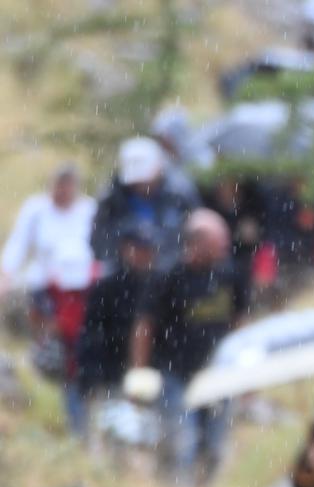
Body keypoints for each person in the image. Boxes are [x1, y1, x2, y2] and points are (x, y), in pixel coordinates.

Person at [129, 209, 249, 487]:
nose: (223, 249)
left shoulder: (229, 275)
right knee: (183, 443)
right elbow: (144, 327)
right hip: (176, 374)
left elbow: (240, 321)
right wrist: (139, 374)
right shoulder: (168, 277)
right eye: (217, 243)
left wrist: (245, 370)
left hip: (218, 375)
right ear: (196, 243)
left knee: (215, 445)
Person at [0, 163, 97, 433]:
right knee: (54, 345)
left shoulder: (87, 211)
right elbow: (19, 243)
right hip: (44, 287)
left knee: (78, 344)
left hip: (80, 286)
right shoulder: (36, 210)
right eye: (58, 186)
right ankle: (50, 383)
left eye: (67, 187)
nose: (62, 192)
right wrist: (6, 275)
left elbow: (99, 246)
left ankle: (76, 396)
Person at [76, 223, 156, 451]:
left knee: (139, 442)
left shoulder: (158, 284)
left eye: (147, 249)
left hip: (142, 378)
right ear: (124, 249)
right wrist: (91, 375)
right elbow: (90, 333)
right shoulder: (107, 286)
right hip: (107, 374)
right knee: (104, 439)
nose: (143, 255)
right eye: (138, 249)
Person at [90, 137, 201, 274]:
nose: (142, 186)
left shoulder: (180, 194)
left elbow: (196, 232)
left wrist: (162, 255)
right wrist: (123, 250)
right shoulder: (111, 199)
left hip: (174, 273)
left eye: (146, 179)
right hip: (124, 275)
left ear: (158, 168)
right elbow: (99, 240)